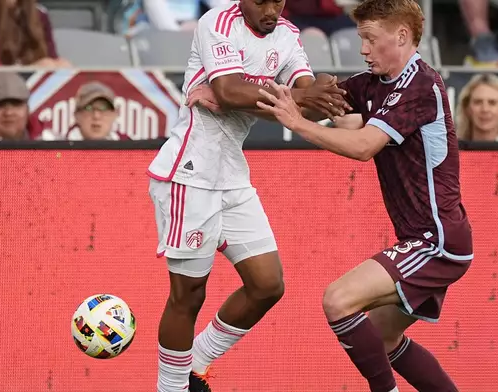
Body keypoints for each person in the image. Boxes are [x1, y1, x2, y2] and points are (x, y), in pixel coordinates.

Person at [256, 0, 473, 391]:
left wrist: (297, 124)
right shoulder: (373, 84)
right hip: (423, 240)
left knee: (338, 300)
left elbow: (362, 145)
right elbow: (325, 105)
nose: (363, 49)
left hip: (435, 241)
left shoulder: (420, 86)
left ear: (402, 36)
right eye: (361, 39)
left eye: (370, 39)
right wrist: (231, 95)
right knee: (384, 340)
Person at [146, 0, 350, 391]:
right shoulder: (216, 23)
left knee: (267, 284)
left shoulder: (288, 35)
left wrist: (318, 93)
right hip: (190, 175)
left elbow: (303, 98)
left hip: (233, 178)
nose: (271, 8)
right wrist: (295, 98)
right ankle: (170, 388)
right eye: (261, 0)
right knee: (188, 295)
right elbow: (229, 89)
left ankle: (196, 364)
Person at [0, 0, 70, 67]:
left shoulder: (40, 14)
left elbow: (51, 59)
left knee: (63, 65)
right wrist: (31, 72)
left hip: (35, 89)